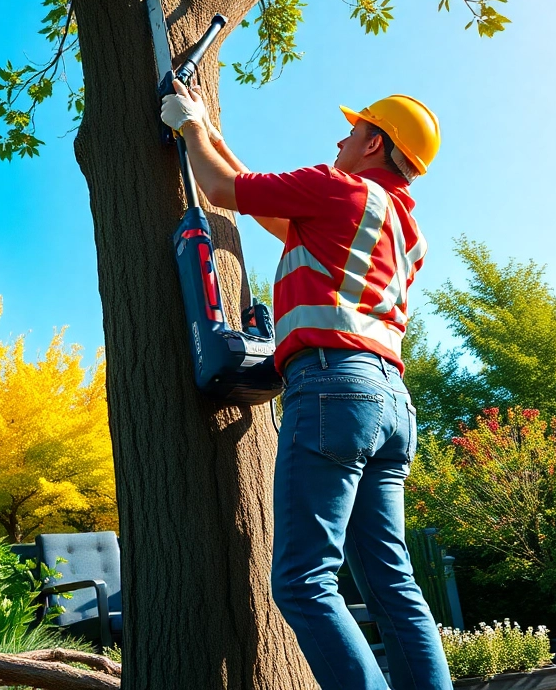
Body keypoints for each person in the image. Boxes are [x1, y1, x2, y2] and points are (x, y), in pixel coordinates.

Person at [160, 79, 452, 690]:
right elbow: (260, 204)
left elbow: (220, 189)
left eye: (352, 131)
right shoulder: (405, 230)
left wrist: (187, 128)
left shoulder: (337, 186)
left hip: (333, 387)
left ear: (374, 143)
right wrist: (207, 131)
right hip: (392, 404)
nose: (339, 140)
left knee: (303, 581)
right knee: (393, 582)